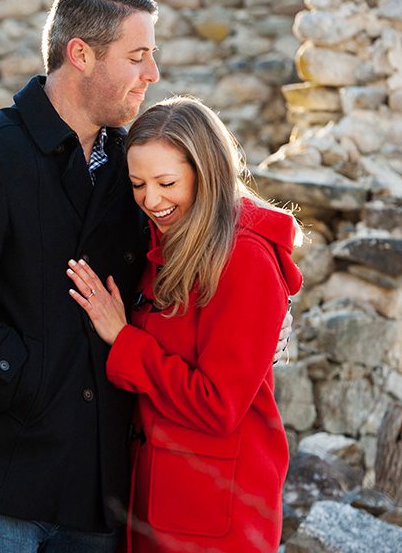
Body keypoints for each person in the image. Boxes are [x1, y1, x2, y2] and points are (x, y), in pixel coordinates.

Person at [0, 0, 290, 553]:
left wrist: (273, 293)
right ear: (80, 54)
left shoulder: (129, 170)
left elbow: (210, 223)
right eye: (137, 56)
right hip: (0, 475)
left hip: (102, 493)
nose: (152, 73)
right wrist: (22, 380)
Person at [65, 95, 303, 552]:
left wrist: (123, 340)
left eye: (166, 182)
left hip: (217, 516)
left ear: (206, 173)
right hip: (163, 505)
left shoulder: (244, 257)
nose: (151, 200)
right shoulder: (167, 244)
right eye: (137, 184)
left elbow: (219, 405)